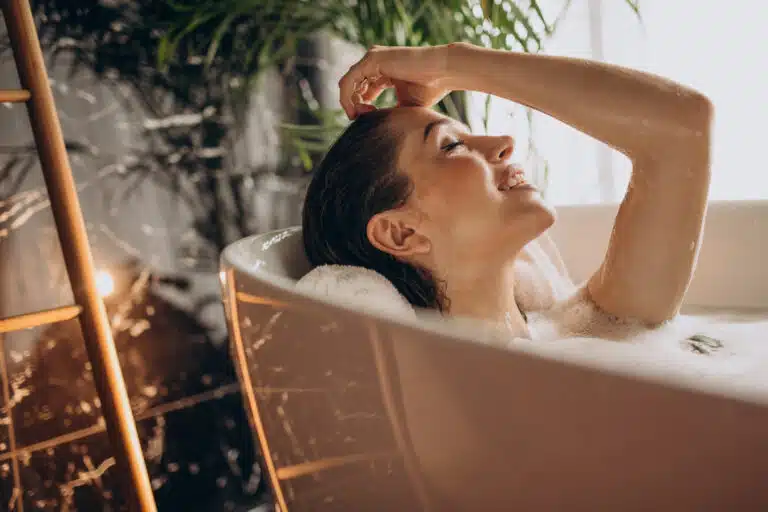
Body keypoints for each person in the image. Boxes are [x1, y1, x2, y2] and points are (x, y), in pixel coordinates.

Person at [302, 42, 712, 339]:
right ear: (402, 233)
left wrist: (451, 63)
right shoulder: (456, 397)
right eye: (451, 146)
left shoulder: (593, 330)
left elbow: (683, 125)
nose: (502, 142)